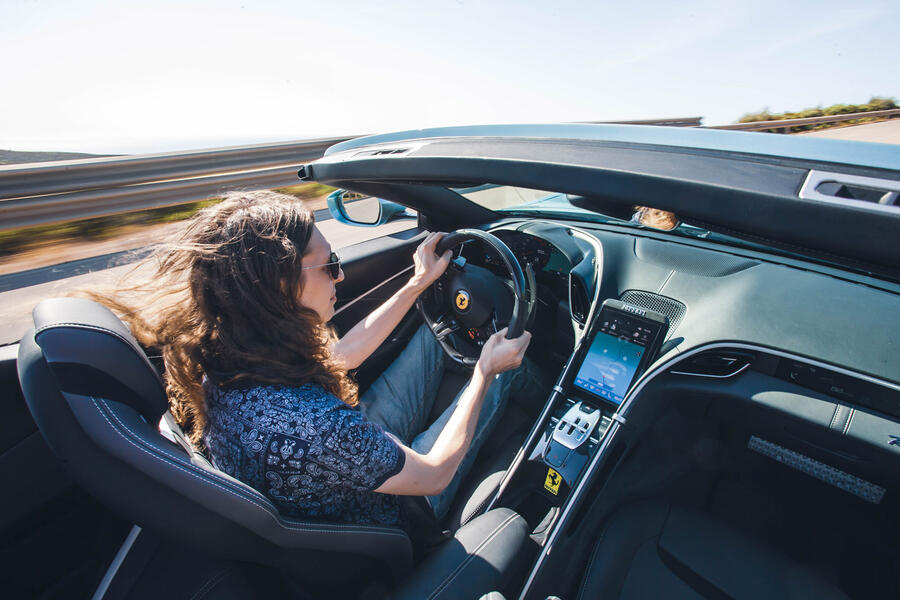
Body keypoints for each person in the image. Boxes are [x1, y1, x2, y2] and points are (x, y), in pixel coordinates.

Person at [98, 190, 538, 529]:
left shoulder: (231, 353)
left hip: (351, 458)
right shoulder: (314, 429)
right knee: (507, 370)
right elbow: (436, 474)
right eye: (329, 265)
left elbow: (341, 355)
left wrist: (419, 284)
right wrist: (483, 372)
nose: (340, 275)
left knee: (432, 332)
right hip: (406, 504)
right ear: (279, 287)